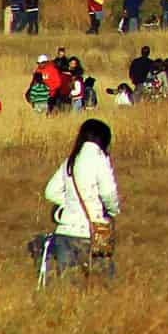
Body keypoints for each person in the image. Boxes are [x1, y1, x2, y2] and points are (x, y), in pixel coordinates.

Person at [38, 118, 119, 281]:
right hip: (97, 229)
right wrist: (112, 210)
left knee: (68, 287)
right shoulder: (100, 159)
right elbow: (109, 193)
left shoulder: (70, 161)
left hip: (65, 231)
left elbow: (50, 192)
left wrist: (68, 203)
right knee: (103, 284)